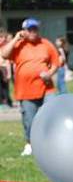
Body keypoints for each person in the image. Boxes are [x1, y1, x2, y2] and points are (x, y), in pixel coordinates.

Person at [0, 18, 60, 155]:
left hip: (47, 88)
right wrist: (15, 38)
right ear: (24, 31)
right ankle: (30, 144)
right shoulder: (19, 44)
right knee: (29, 119)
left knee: (51, 114)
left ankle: (51, 143)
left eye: (35, 29)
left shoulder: (46, 44)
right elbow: (3, 54)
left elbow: (56, 62)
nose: (33, 32)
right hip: (25, 89)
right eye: (30, 29)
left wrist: (50, 73)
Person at [0, 29, 13, 109]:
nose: (2, 39)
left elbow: (7, 62)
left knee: (5, 87)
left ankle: (6, 101)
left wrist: (8, 73)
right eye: (0, 37)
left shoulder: (6, 47)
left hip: (4, 69)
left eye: (3, 37)